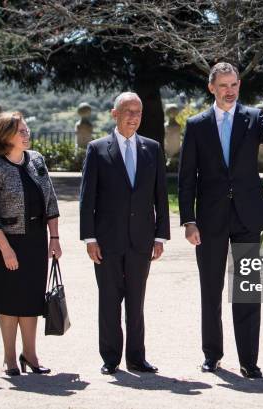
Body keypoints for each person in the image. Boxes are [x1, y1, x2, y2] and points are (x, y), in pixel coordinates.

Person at [178, 62, 263, 378]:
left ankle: (249, 361)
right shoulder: (197, 124)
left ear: (239, 85)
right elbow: (187, 177)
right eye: (223, 86)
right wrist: (189, 220)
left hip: (247, 216)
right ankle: (212, 355)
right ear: (212, 88)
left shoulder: (254, 117)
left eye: (233, 85)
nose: (229, 91)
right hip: (209, 219)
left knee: (247, 290)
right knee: (211, 289)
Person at [80, 92, 170, 375]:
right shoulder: (97, 149)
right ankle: (110, 358)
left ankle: (136, 357)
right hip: (106, 241)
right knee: (109, 299)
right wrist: (89, 238)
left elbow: (161, 196)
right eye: (128, 111)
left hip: (141, 239)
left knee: (136, 299)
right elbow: (87, 198)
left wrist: (160, 236)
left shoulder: (152, 148)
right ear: (114, 114)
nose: (133, 117)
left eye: (138, 112)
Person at [0, 111, 61, 376]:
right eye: (21, 132)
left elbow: (50, 202)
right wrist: (6, 250)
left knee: (31, 302)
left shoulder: (36, 160)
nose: (27, 135)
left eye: (27, 130)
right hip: (6, 243)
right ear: (6, 136)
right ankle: (10, 358)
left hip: (36, 241)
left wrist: (55, 238)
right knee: (9, 302)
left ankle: (31, 355)